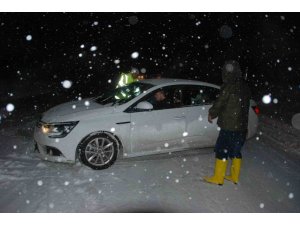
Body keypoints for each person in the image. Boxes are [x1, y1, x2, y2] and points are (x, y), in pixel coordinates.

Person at [204, 60, 251, 185]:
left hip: (229, 125)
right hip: (241, 126)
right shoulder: (245, 86)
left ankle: (218, 178)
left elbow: (220, 102)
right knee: (235, 151)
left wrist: (212, 113)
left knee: (222, 149)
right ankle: (234, 177)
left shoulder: (228, 85)